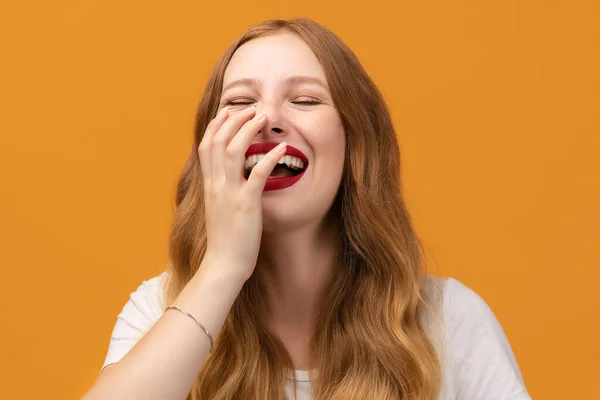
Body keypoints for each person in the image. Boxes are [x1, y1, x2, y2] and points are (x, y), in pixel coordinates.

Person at [82, 18, 531, 400]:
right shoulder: (159, 312)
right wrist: (222, 267)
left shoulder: (452, 321)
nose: (268, 119)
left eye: (305, 100)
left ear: (356, 143)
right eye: (240, 102)